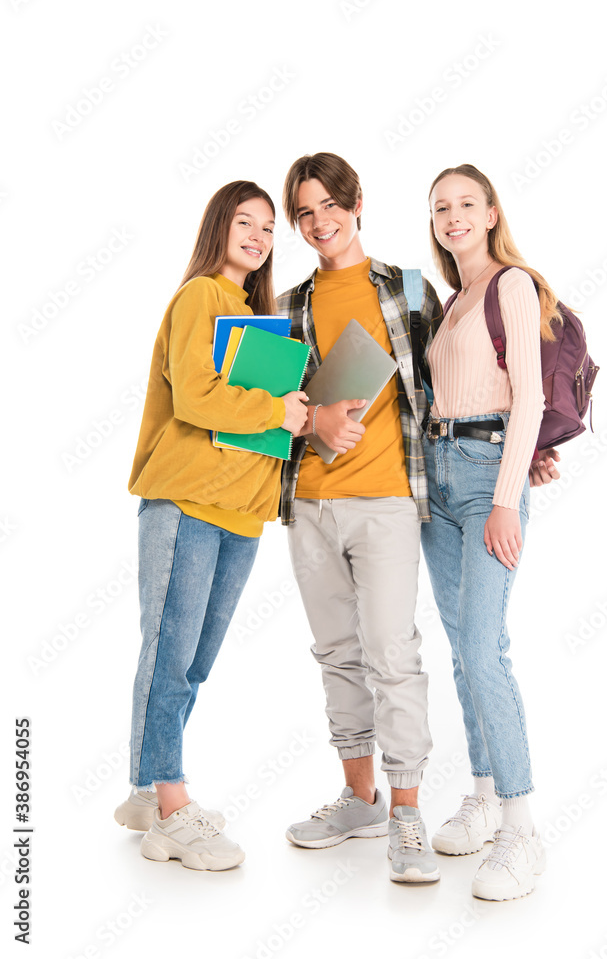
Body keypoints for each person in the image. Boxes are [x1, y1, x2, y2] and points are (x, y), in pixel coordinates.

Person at [113, 181, 308, 871]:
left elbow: (261, 420)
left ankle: (148, 789)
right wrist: (276, 411)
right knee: (169, 655)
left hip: (240, 514)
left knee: (192, 664)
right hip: (186, 503)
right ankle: (171, 805)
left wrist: (297, 414)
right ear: (218, 228)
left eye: (267, 229)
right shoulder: (201, 295)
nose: (257, 236)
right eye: (245, 222)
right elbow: (195, 395)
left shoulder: (260, 315)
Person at [277, 152, 444, 883]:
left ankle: (407, 811)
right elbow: (271, 413)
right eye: (304, 213)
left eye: (327, 207)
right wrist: (312, 420)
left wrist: (518, 449)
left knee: (391, 653)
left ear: (356, 202)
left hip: (384, 502)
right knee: (336, 653)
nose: (318, 223)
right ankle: (359, 798)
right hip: (309, 501)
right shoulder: (286, 305)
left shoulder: (407, 288)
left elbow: (449, 383)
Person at [420, 163, 556, 900]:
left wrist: (506, 496)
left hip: (482, 477)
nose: (453, 216)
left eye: (466, 203)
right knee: (461, 647)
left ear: (491, 210)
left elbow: (528, 399)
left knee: (482, 646)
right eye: (441, 207)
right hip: (437, 477)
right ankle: (479, 794)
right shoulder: (451, 301)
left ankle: (521, 827)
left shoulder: (510, 284)